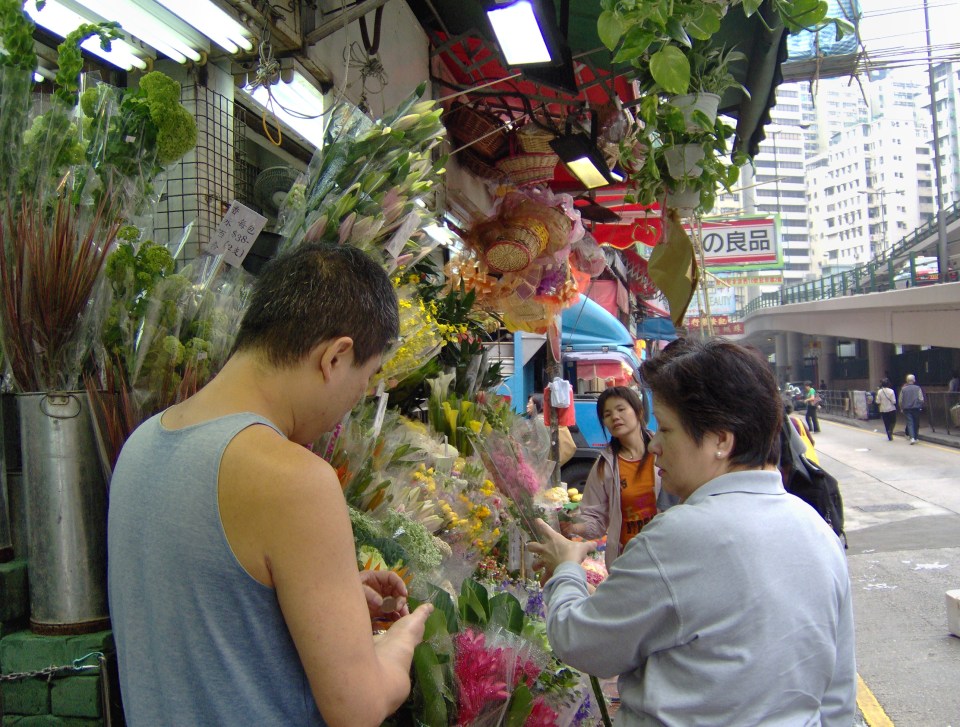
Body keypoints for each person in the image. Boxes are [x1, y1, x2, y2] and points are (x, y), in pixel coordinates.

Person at [107, 243, 433, 726]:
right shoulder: (293, 478)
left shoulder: (139, 445)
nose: (356, 400)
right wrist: (400, 644)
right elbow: (357, 709)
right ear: (336, 357)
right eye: (367, 379)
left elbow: (206, 618)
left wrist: (328, 597)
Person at [528, 338, 855, 726]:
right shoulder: (818, 530)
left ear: (720, 440)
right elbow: (836, 696)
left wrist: (566, 570)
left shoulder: (678, 536)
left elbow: (582, 642)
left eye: (665, 429)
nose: (656, 447)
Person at [559, 386, 674, 570]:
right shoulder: (605, 465)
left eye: (621, 409)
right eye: (607, 414)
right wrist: (573, 527)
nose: (615, 417)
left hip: (668, 555)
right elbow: (595, 520)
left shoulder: (664, 451)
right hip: (628, 561)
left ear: (639, 411)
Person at [527, 393, 575, 466]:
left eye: (530, 403)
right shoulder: (545, 418)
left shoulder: (539, 421)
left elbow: (542, 445)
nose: (527, 405)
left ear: (536, 405)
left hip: (543, 464)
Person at [899, 373, 925, 444]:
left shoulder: (903, 389)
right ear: (914, 380)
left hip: (907, 408)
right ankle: (916, 437)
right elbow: (921, 399)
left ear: (907, 380)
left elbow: (900, 400)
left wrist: (901, 407)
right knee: (916, 422)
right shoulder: (917, 388)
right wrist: (920, 405)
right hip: (916, 407)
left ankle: (912, 437)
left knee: (910, 422)